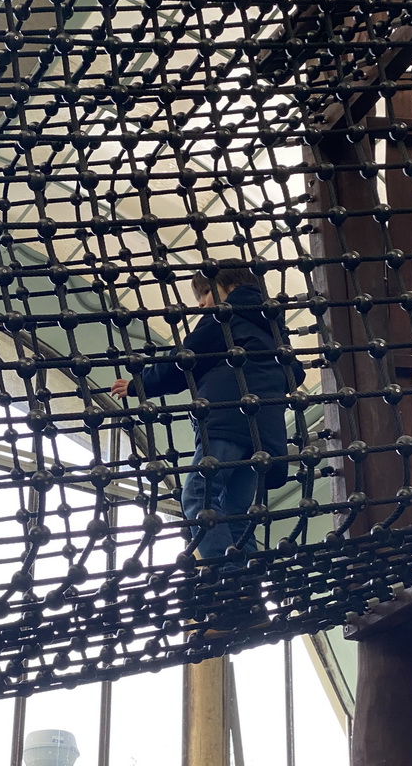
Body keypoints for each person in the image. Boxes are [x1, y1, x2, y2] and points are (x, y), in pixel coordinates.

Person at [111, 266, 305, 625]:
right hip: (265, 437)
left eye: (203, 294)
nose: (201, 304)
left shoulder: (226, 316)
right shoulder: (271, 324)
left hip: (228, 422)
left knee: (197, 496)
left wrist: (141, 384)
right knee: (234, 512)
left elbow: (185, 359)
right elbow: (296, 373)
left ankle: (224, 588)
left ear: (227, 285)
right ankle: (248, 595)